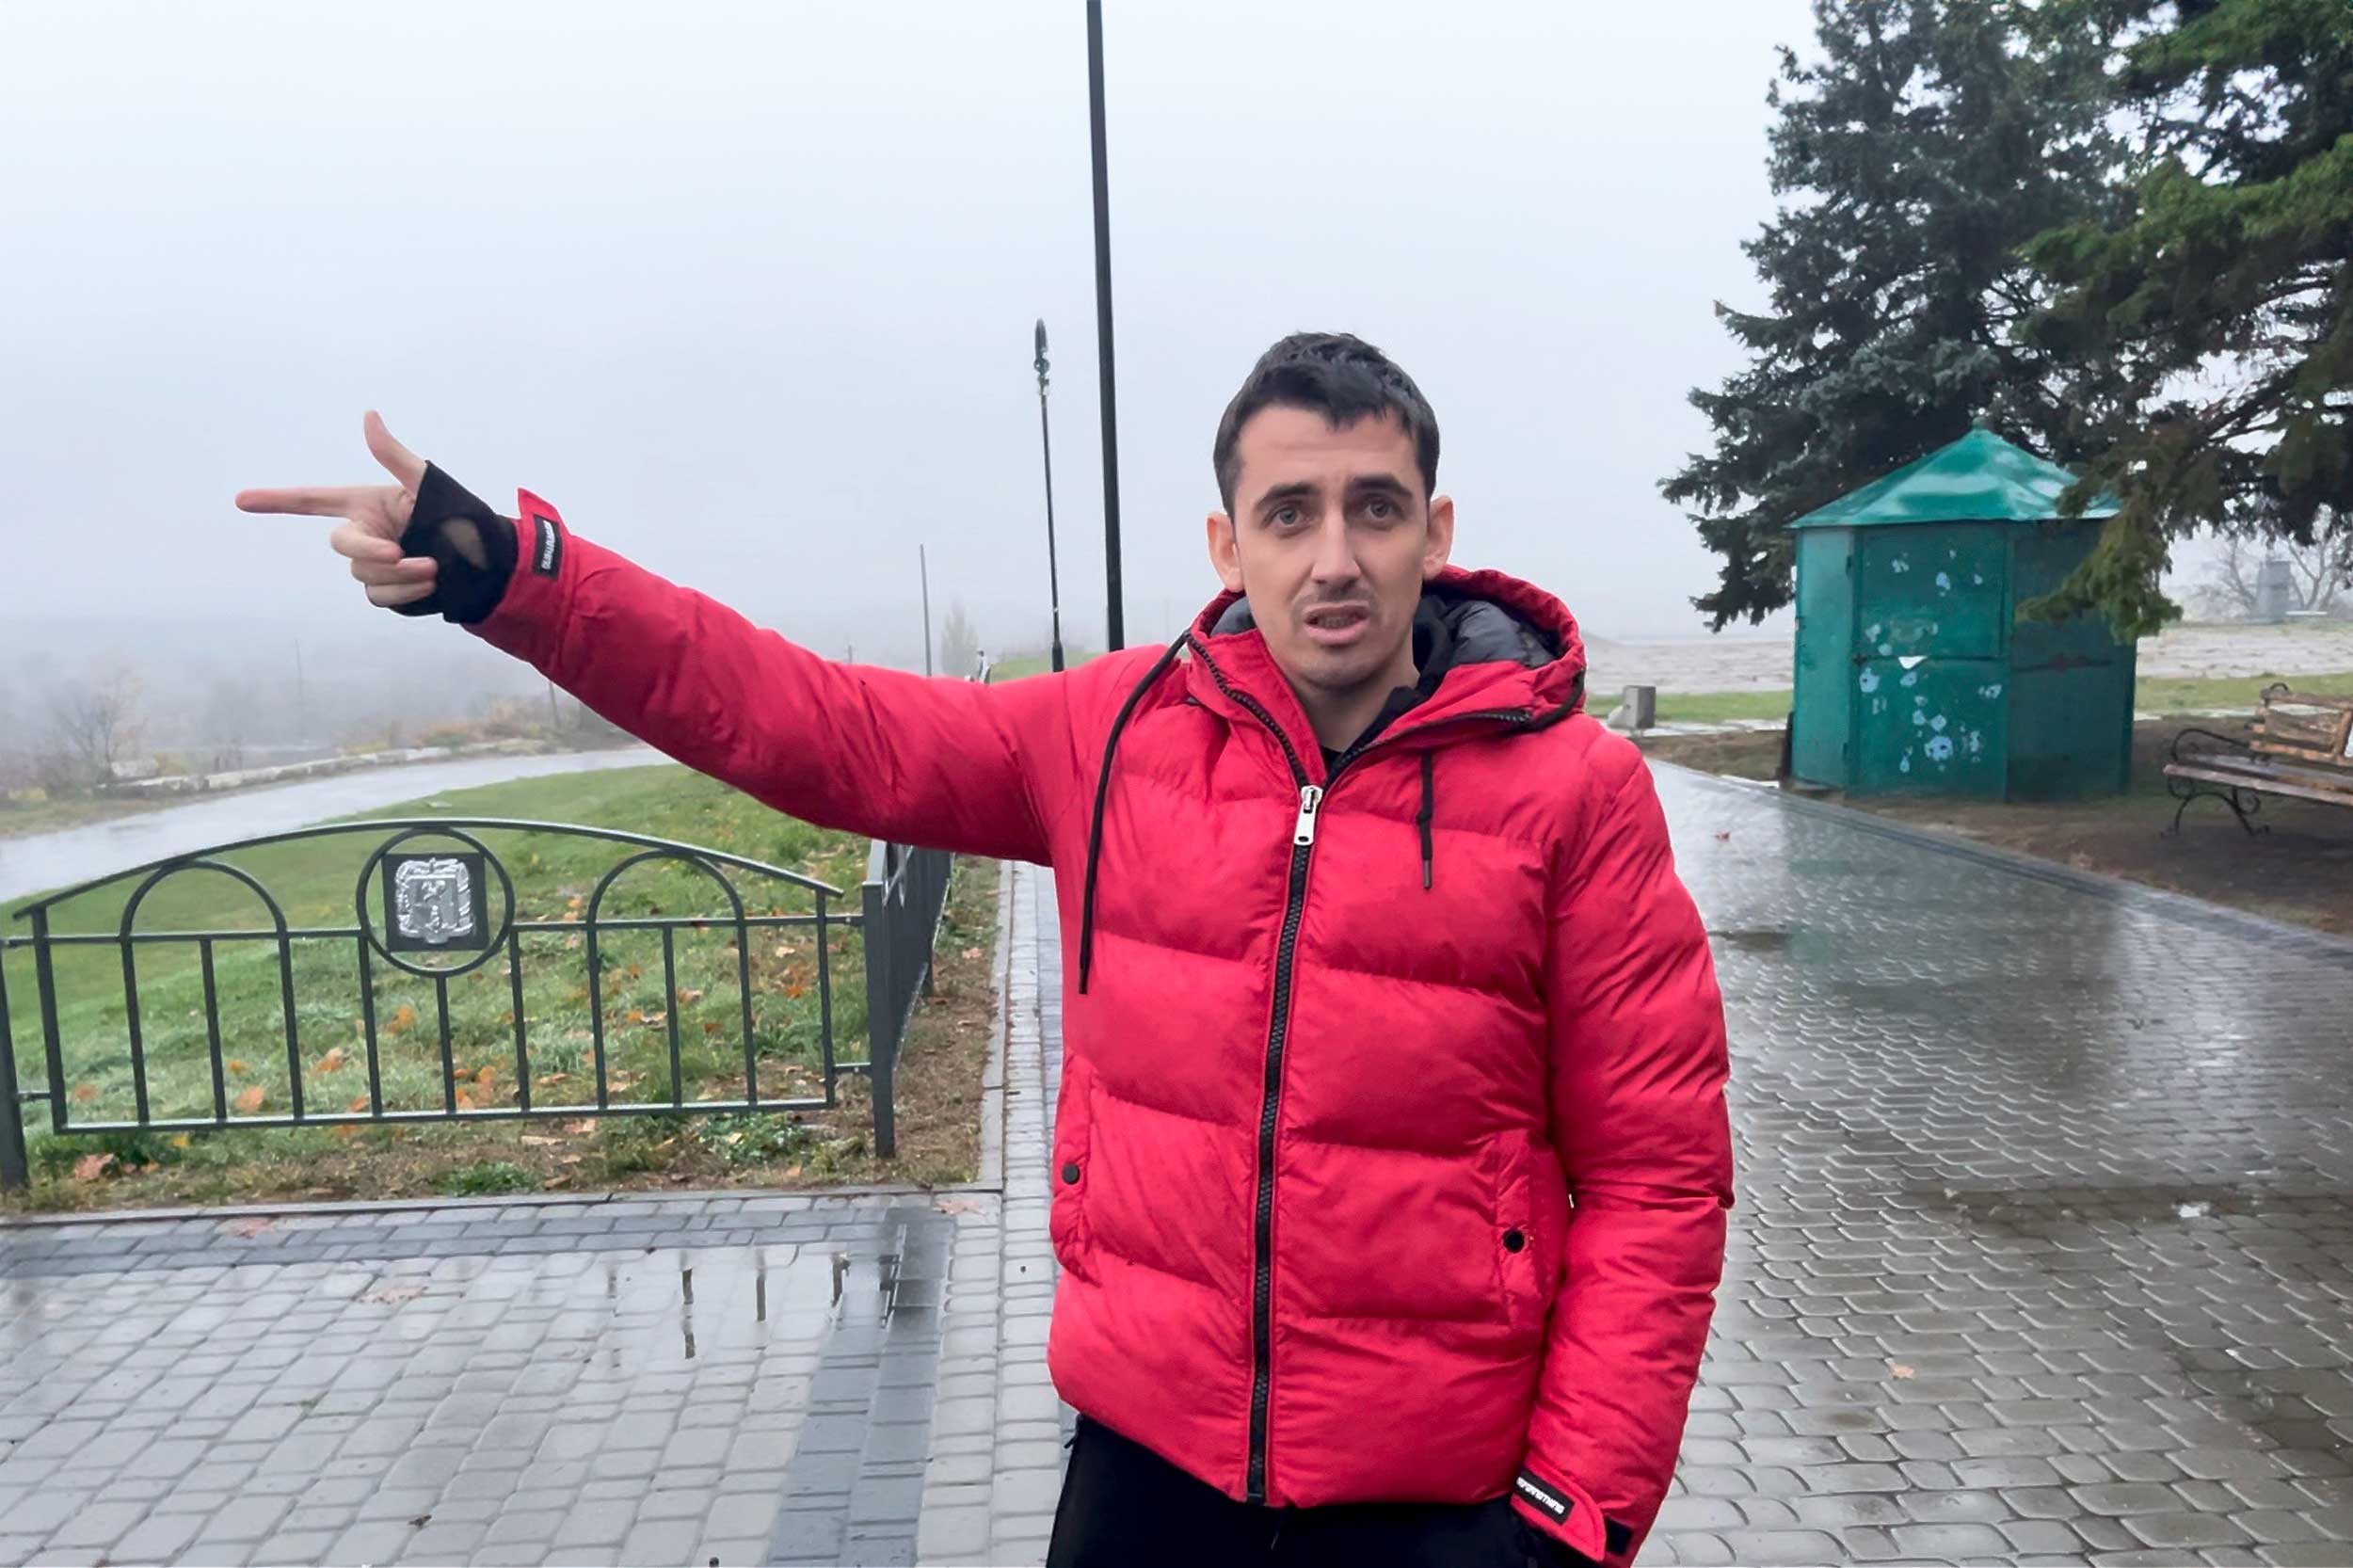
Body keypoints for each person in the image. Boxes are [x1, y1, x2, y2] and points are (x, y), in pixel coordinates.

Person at [239, 332, 1733, 1567]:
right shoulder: (1107, 739)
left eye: (1375, 506)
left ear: (1438, 531)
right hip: (1150, 1486)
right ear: (1227, 542)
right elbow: (809, 720)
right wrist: (524, 577)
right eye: (1290, 512)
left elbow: (1661, 1177)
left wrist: (1571, 1515)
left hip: (1445, 1507)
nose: (1334, 554)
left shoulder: (1575, 795)